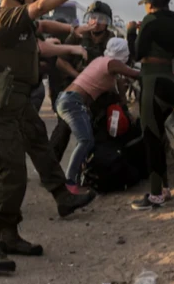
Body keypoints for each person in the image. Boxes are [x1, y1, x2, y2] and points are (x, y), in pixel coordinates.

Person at [0, 0, 103, 273]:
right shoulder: (2, 18)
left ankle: (48, 206)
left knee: (40, 144)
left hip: (15, 100)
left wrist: (74, 33)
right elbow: (40, 10)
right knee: (11, 172)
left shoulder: (18, 22)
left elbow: (41, 31)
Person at [56, 38, 140, 193]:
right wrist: (161, 73)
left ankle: (78, 177)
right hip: (73, 102)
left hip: (68, 100)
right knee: (85, 140)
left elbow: (117, 92)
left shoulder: (101, 62)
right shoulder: (110, 62)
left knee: (86, 139)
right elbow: (135, 74)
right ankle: (69, 182)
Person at [130, 0, 174, 211]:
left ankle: (155, 195)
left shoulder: (150, 22)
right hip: (170, 82)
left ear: (150, 4)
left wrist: (132, 31)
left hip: (152, 83)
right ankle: (165, 188)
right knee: (159, 136)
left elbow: (137, 53)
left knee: (151, 138)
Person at [50, 1, 116, 161]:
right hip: (75, 87)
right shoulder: (77, 36)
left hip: (99, 91)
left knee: (100, 126)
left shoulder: (111, 40)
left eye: (101, 18)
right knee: (64, 126)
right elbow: (59, 60)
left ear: (107, 22)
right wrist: (77, 76)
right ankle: (50, 167)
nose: (96, 22)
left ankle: (94, 165)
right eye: (92, 17)